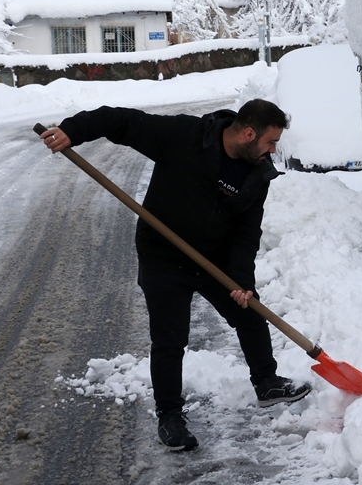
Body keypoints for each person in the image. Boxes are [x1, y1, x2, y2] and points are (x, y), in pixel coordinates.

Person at [40, 99, 311, 452]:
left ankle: (266, 382)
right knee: (170, 340)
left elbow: (247, 231)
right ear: (248, 133)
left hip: (214, 258)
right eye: (271, 142)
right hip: (164, 257)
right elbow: (121, 119)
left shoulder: (258, 172)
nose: (273, 150)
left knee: (249, 313)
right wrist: (72, 132)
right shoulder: (185, 136)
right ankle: (169, 416)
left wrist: (242, 280)